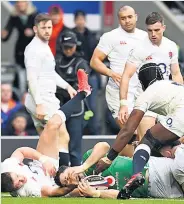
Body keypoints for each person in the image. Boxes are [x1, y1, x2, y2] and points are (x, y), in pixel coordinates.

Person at [93, 64, 184, 199]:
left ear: (142, 83)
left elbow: (127, 130)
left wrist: (109, 157)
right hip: (179, 116)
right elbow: (167, 131)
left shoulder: (146, 95)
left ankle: (136, 175)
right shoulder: (171, 85)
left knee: (147, 140)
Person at [1, 68, 92, 197]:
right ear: (14, 189)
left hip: (42, 164)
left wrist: (43, 160)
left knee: (56, 128)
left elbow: (21, 151)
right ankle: (96, 185)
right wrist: (71, 186)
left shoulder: (7, 167)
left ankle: (83, 92)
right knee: (82, 189)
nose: (22, 179)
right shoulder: (28, 190)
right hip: (53, 177)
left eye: (18, 176)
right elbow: (53, 192)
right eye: (19, 183)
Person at [90, 6, 147, 156]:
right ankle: (126, 171)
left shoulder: (145, 37)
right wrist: (111, 73)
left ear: (136, 16)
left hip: (141, 91)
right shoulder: (110, 37)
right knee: (129, 132)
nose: (127, 21)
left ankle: (131, 169)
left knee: (143, 136)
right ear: (118, 19)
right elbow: (94, 61)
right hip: (118, 92)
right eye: (123, 18)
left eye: (129, 17)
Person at [119, 12, 183, 140]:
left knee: (176, 139)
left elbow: (176, 73)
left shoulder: (171, 46)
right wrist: (123, 103)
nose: (153, 34)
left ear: (163, 28)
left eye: (157, 30)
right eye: (149, 31)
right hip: (146, 101)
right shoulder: (139, 48)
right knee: (146, 140)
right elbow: (126, 75)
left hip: (166, 100)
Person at [24, 13, 77, 167]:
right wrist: (39, 103)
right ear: (35, 29)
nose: (47, 31)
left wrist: (67, 86)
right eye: (43, 28)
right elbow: (31, 78)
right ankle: (63, 176)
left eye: (49, 27)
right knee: (63, 136)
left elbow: (49, 74)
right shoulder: (34, 49)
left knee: (47, 140)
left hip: (43, 99)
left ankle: (44, 175)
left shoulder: (43, 46)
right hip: (42, 100)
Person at [54, 141, 184, 199]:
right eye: (67, 182)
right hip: (156, 190)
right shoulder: (86, 191)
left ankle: (178, 147)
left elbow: (104, 146)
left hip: (154, 169)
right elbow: (120, 197)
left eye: (68, 175)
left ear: (71, 167)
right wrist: (93, 193)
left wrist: (84, 167)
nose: (70, 179)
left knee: (180, 167)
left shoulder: (89, 160)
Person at [55, 31, 91, 166]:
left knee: (75, 148)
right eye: (66, 47)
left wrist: (65, 88)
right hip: (58, 108)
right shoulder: (56, 61)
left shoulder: (81, 62)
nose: (69, 50)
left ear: (76, 46)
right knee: (58, 145)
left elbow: (82, 86)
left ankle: (76, 175)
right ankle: (60, 175)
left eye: (71, 46)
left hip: (76, 110)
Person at [1, 1, 38, 68]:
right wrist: (4, 35)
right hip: (21, 50)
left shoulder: (35, 15)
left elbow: (43, 32)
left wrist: (33, 32)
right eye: (18, 2)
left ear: (27, 3)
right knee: (20, 73)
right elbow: (7, 31)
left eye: (22, 2)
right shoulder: (14, 17)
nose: (20, 4)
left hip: (35, 49)